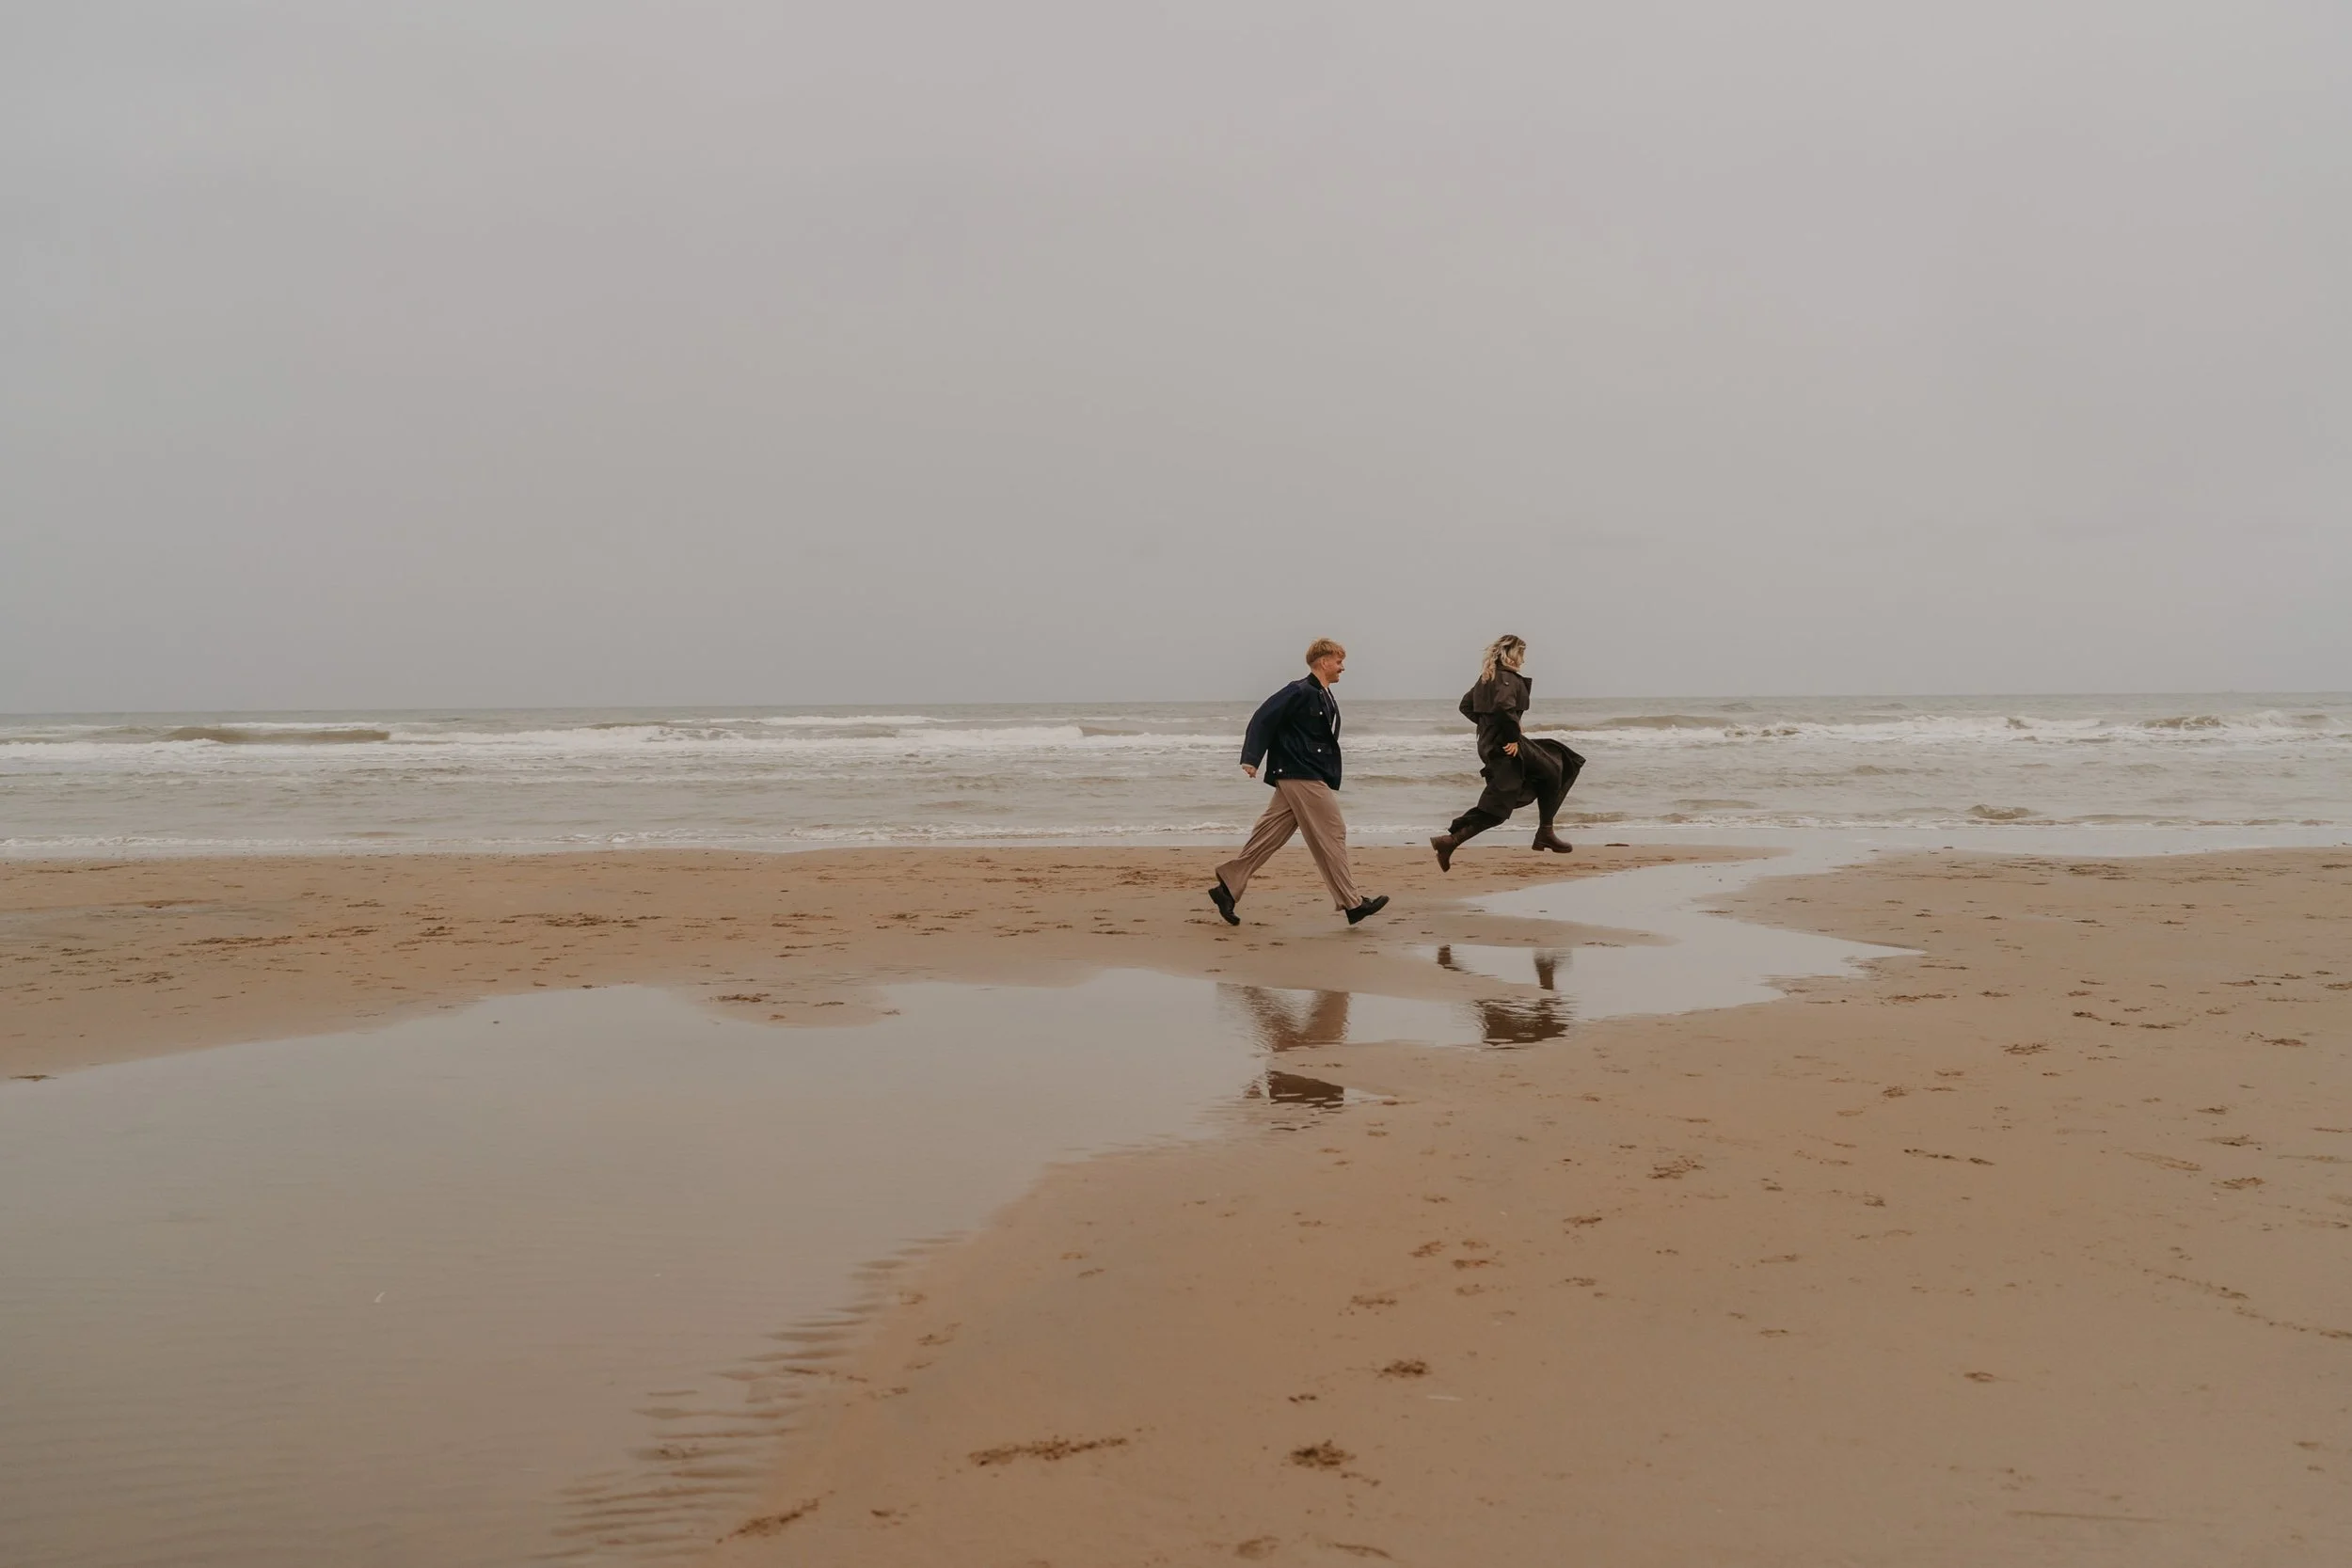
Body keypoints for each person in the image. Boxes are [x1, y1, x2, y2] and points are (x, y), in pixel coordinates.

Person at [1208, 639, 1390, 927]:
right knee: (1332, 832)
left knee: (1269, 835)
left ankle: (1227, 888)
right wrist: (1251, 758)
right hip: (1301, 773)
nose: (1342, 667)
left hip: (1302, 773)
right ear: (1323, 662)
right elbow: (1263, 718)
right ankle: (1353, 903)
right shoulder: (1300, 690)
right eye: (1339, 661)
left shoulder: (1323, 694)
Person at [1429, 634, 1584, 871]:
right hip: (1505, 746)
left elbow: (1465, 706)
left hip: (1492, 745)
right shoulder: (1507, 678)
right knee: (1560, 763)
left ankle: (1449, 842)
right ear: (1512, 654)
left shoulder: (1487, 677)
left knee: (1503, 805)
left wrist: (1489, 727)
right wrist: (1510, 735)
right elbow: (1503, 706)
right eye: (1521, 654)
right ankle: (1545, 832)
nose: (1523, 660)